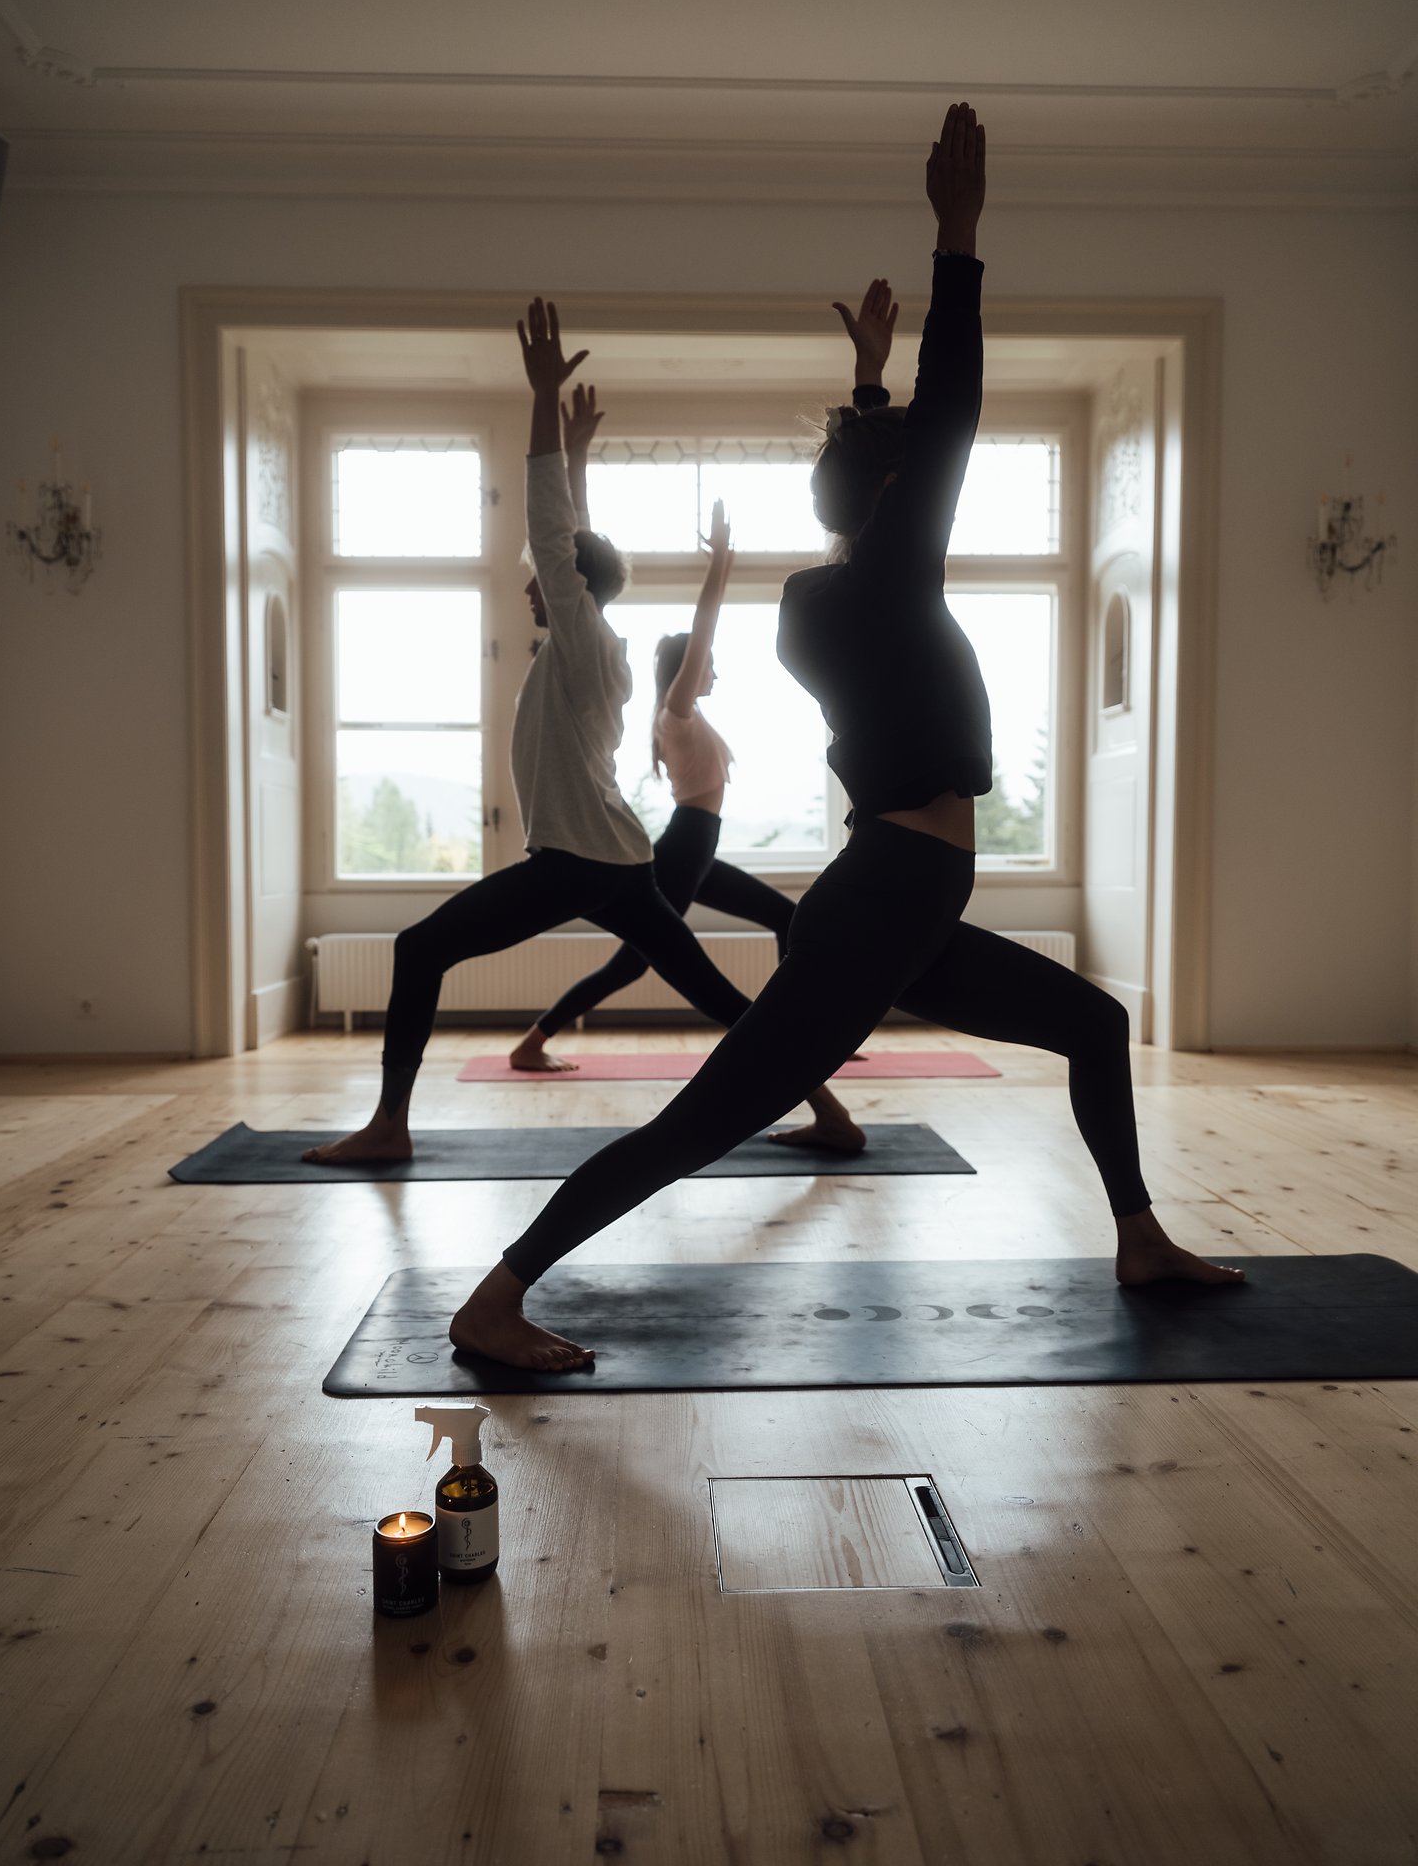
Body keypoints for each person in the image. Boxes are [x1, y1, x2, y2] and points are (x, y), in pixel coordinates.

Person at [446, 107, 1242, 1369]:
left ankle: (1139, 1235)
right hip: (885, 904)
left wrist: (872, 387)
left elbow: (881, 486)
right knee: (703, 1123)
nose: (935, 476)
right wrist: (958, 240)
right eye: (912, 471)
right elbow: (952, 413)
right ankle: (497, 1295)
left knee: (1091, 1026)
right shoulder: (882, 589)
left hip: (902, 903)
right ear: (895, 493)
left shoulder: (828, 600)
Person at [303, 299, 860, 1164]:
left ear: (570, 585)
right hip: (617, 859)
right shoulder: (593, 644)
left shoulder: (584, 635)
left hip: (574, 860)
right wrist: (576, 454)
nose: (532, 582)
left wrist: (541, 402)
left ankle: (388, 1127)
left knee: (420, 951)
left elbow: (556, 535)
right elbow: (574, 542)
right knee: (712, 990)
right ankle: (829, 1109)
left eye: (545, 575)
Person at [507, 497, 801, 1075]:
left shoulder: (692, 718)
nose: (713, 670)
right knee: (633, 963)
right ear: (686, 670)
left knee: (786, 919)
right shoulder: (676, 713)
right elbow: (703, 630)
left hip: (698, 848)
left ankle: (801, 1028)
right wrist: (719, 567)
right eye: (706, 664)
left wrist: (723, 564)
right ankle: (533, 1041)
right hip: (685, 845)